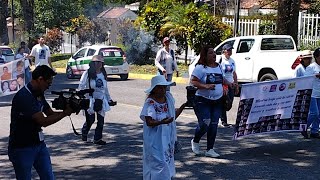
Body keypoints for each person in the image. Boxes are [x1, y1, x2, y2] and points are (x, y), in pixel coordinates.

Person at [8, 65, 73, 180]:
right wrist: (64, 113)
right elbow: (43, 121)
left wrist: (68, 107)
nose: (48, 87)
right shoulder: (25, 96)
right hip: (22, 147)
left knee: (48, 177)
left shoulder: (38, 93)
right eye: (48, 83)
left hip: (38, 144)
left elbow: (50, 114)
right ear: (40, 79)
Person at [140, 75, 186, 179]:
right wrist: (161, 122)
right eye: (160, 87)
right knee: (158, 162)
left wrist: (183, 106)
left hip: (166, 137)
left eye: (164, 87)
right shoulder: (150, 102)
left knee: (166, 160)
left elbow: (173, 116)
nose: (163, 90)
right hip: (155, 139)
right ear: (154, 89)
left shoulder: (168, 98)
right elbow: (149, 122)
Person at [190, 45, 231, 158]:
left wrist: (230, 84)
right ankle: (195, 140)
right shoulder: (200, 68)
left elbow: (221, 79)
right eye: (211, 53)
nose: (214, 55)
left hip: (217, 101)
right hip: (203, 101)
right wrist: (205, 86)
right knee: (205, 124)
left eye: (214, 53)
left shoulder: (218, 66)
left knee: (213, 125)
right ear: (205, 55)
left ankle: (210, 149)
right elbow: (193, 81)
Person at [78, 55, 114, 145]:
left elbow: (105, 89)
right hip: (90, 99)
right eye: (96, 62)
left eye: (100, 62)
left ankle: (97, 138)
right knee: (91, 119)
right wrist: (81, 96)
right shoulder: (88, 73)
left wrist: (109, 99)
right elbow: (81, 85)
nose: (98, 64)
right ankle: (84, 132)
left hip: (101, 99)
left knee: (101, 121)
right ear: (92, 63)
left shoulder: (103, 74)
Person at [301, 48, 320, 139]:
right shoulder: (311, 67)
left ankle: (314, 131)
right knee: (314, 113)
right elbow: (305, 79)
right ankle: (303, 127)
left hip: (319, 93)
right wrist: (315, 75)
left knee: (319, 114)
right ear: (316, 57)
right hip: (312, 93)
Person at [219, 44, 239, 127]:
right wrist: (225, 84)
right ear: (224, 51)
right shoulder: (221, 60)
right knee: (225, 102)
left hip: (231, 84)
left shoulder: (232, 61)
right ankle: (223, 121)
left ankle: (220, 116)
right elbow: (219, 74)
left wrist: (236, 84)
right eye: (228, 50)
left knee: (229, 104)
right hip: (224, 84)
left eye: (231, 50)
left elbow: (234, 73)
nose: (230, 51)